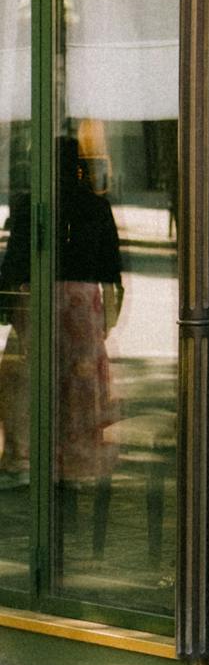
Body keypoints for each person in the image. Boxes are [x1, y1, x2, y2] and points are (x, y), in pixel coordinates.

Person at [0, 136, 123, 492]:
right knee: (80, 384)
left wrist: (9, 298)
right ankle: (75, 459)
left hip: (36, 295)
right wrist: (110, 311)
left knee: (28, 380)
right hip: (81, 300)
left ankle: (26, 458)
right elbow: (110, 266)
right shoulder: (95, 206)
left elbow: (17, 260)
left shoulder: (30, 204)